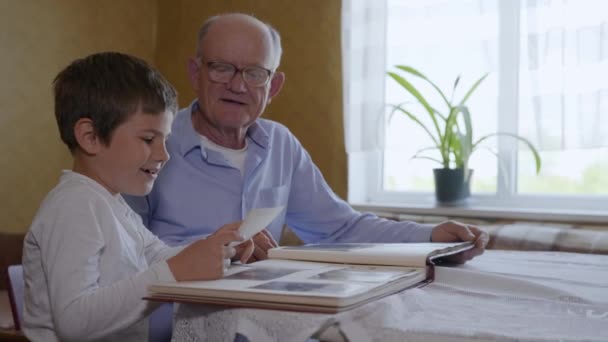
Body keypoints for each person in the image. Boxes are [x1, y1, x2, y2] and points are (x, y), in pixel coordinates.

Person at [125, 13, 488, 260]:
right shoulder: (151, 144)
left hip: (266, 321)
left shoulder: (280, 145)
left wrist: (430, 236)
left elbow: (340, 229)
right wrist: (222, 250)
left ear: (274, 86)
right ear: (195, 72)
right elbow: (125, 255)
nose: (237, 85)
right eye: (221, 68)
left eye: (254, 73)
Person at [21, 52, 254, 342]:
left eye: (165, 140)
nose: (164, 155)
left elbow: (156, 255)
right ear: (90, 136)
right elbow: (74, 320)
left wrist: (216, 248)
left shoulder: (110, 202)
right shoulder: (74, 206)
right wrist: (172, 273)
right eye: (148, 140)